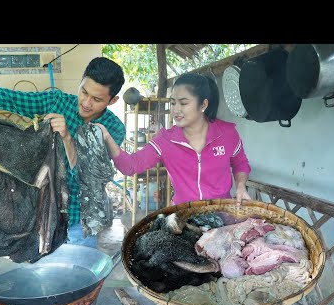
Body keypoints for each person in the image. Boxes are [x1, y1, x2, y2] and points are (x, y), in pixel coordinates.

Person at [0, 57, 126, 249]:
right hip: (45, 217)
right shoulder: (57, 102)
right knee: (44, 279)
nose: (86, 103)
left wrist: (67, 138)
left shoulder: (112, 129)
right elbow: (8, 98)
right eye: (84, 92)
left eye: (97, 99)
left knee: (81, 278)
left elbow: (86, 177)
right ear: (81, 81)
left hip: (81, 222)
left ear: (113, 100)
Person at [95, 72, 252, 207]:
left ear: (203, 104)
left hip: (222, 212)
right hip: (183, 216)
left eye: (183, 103)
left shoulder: (227, 133)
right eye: (173, 103)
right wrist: (108, 138)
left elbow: (240, 163)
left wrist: (240, 186)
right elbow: (130, 166)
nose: (176, 110)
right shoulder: (166, 140)